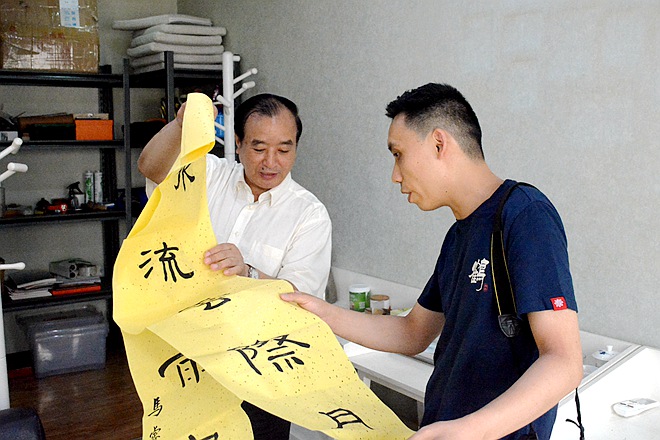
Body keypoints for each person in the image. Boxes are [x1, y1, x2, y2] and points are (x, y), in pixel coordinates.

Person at [282, 83, 583, 440]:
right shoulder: (458, 236)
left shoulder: (525, 215)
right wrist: (319, 311)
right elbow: (413, 333)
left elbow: (564, 362)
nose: (395, 175)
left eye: (398, 154)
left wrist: (468, 431)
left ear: (439, 144)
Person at [138, 93, 332, 440]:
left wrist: (248, 273)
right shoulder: (210, 175)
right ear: (238, 143)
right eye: (259, 148)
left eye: (284, 150)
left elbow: (302, 296)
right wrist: (181, 125)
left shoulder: (309, 214)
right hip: (189, 355)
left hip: (262, 370)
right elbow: (151, 168)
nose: (271, 162)